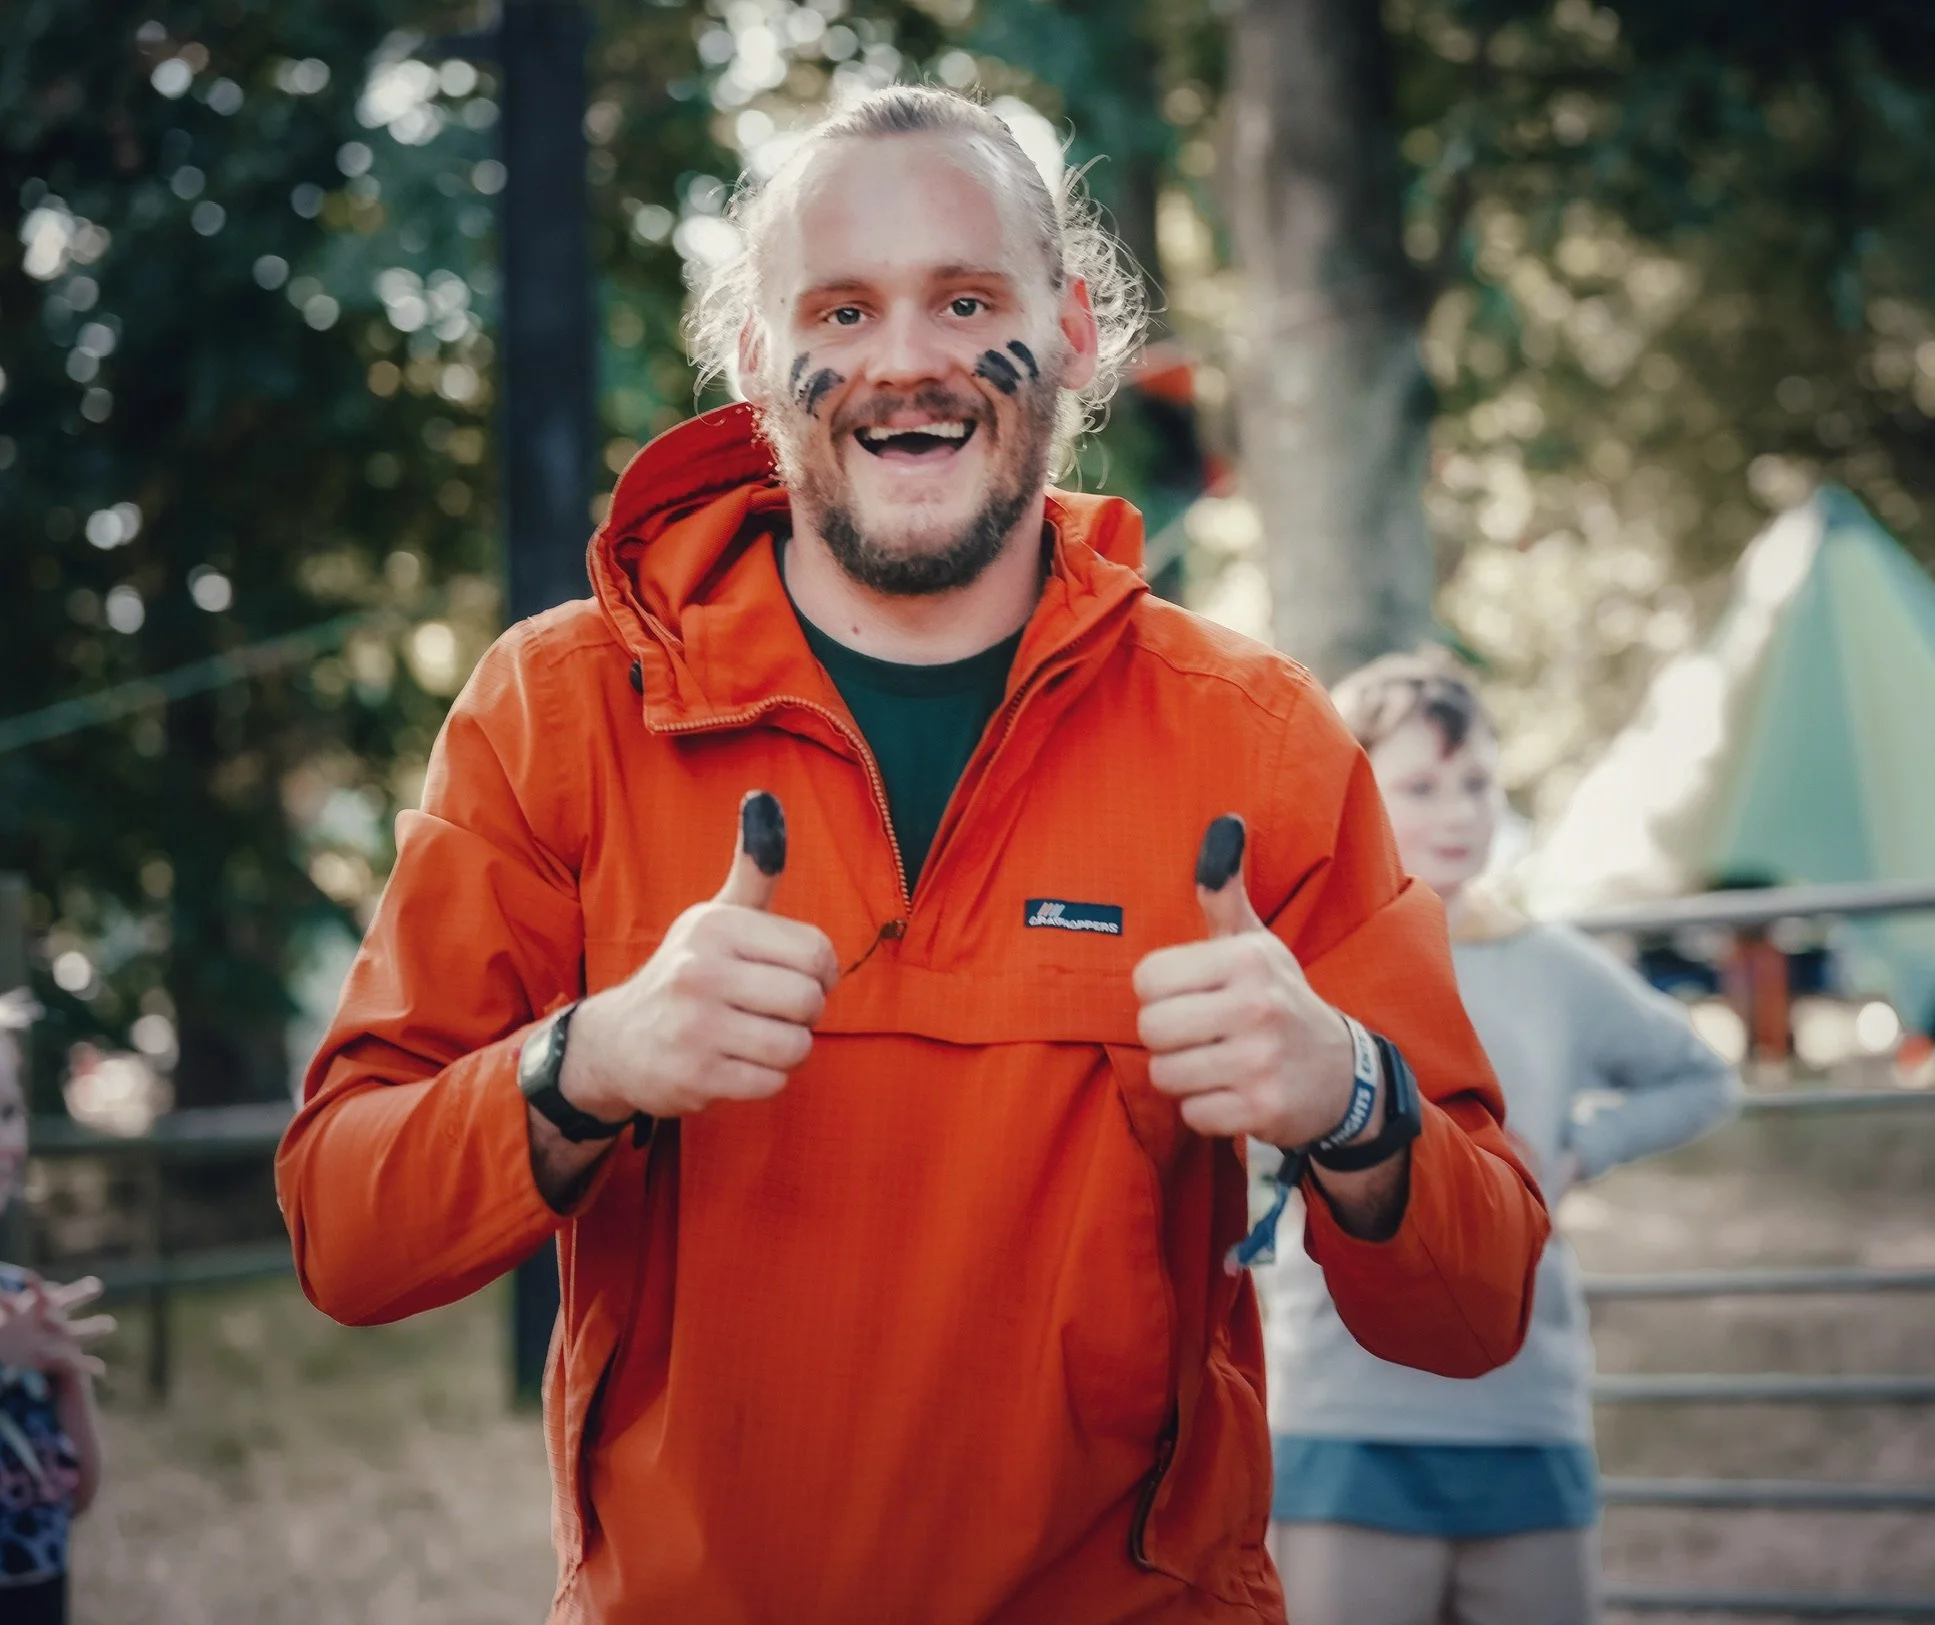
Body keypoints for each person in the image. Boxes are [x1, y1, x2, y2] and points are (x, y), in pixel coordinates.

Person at [276, 88, 1548, 1624]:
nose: (904, 360)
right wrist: (586, 1059)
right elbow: (344, 1232)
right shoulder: (559, 711)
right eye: (841, 307)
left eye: (966, 299)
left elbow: (1478, 1306)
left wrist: (1347, 1095)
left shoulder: (1256, 740)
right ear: (756, 359)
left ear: (1072, 328)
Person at [1262, 647, 1743, 1625]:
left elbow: (1700, 1076)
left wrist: (1580, 1150)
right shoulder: (1305, 968)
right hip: (1346, 1417)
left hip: (1525, 1413)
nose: (1457, 809)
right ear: (1356, 797)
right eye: (1422, 785)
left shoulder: (1554, 964)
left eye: (1477, 782)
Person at [0, 1009, 113, 1625]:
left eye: (9, 1113)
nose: (5, 1143)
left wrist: (68, 1380)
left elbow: (74, 1497)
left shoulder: (23, 1298)